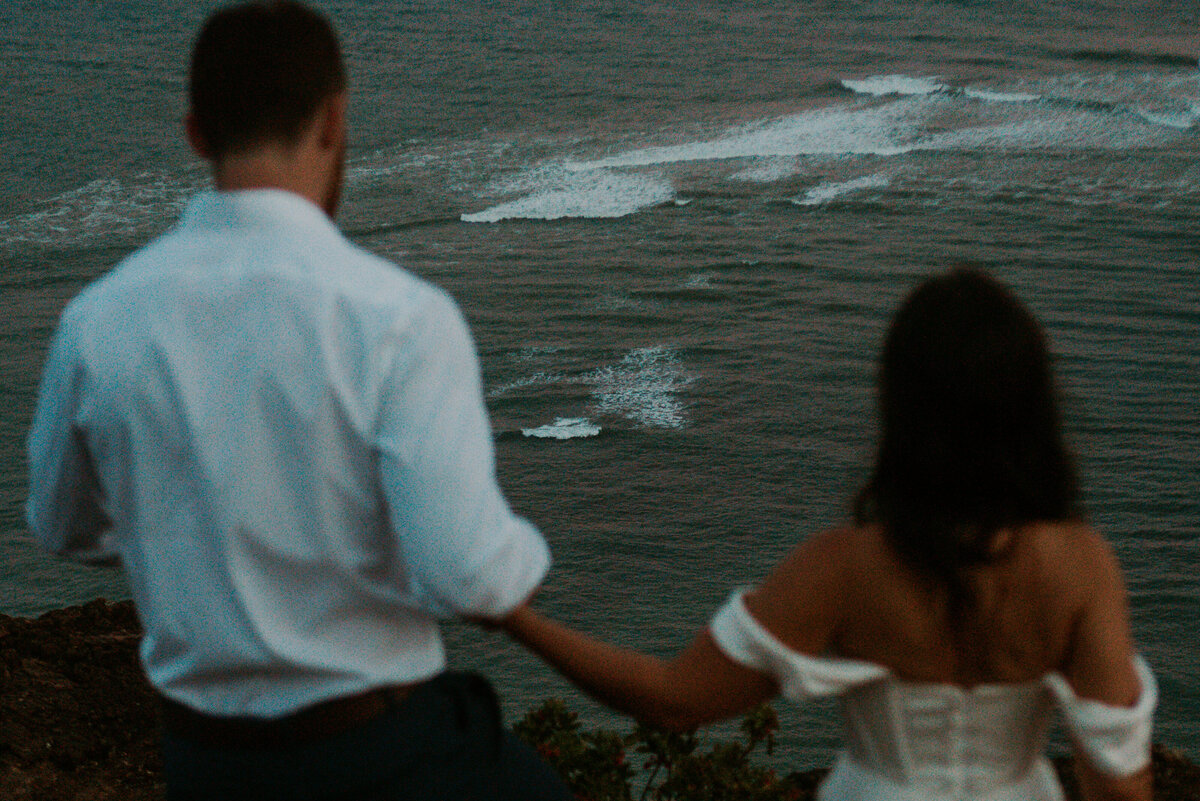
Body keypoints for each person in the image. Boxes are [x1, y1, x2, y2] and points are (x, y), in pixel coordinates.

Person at [24, 2, 569, 800]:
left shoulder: (98, 319)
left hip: (205, 763)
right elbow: (471, 578)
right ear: (334, 119)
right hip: (379, 753)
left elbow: (63, 524)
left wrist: (186, 510)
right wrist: (519, 553)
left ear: (197, 134)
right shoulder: (399, 317)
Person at [501, 268, 1156, 801]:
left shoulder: (845, 566)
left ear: (900, 407)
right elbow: (1121, 781)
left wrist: (516, 618)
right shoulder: (1080, 564)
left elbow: (672, 700)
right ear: (1034, 407)